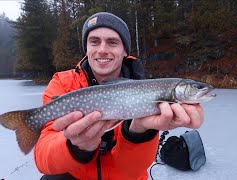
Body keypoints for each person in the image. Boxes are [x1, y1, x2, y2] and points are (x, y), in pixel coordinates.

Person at [34, 12, 204, 180]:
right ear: (86, 47)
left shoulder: (142, 88)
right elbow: (43, 158)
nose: (102, 50)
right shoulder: (62, 83)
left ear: (125, 51)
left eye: (112, 42)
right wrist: (74, 147)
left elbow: (132, 171)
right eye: (94, 41)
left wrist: (139, 132)